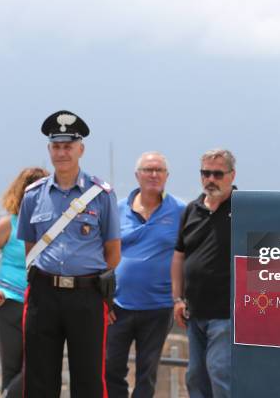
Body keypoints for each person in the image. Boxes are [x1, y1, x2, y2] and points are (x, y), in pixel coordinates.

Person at [17, 110, 121, 397]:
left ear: (80, 149)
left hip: (86, 295)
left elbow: (113, 251)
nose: (62, 153)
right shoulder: (33, 195)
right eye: (56, 146)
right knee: (39, 377)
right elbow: (30, 247)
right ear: (49, 150)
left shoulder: (101, 194)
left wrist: (89, 279)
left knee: (88, 378)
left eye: (68, 146)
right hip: (43, 294)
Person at [106, 152, 185, 398]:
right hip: (117, 305)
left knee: (147, 375)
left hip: (159, 307)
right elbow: (102, 254)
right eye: (148, 169)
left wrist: (181, 298)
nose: (153, 175)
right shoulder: (116, 210)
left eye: (159, 170)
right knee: (110, 369)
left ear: (167, 176)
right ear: (137, 175)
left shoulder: (181, 211)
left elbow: (189, 254)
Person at [171, 149, 236, 398]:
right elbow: (179, 255)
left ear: (232, 175)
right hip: (194, 312)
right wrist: (177, 299)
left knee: (220, 373)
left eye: (217, 174)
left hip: (226, 313)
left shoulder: (243, 207)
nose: (211, 179)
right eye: (205, 173)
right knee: (195, 377)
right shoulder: (191, 210)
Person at [0, 167, 49, 398]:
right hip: (7, 304)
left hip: (41, 305)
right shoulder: (9, 224)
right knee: (12, 369)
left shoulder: (53, 227)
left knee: (40, 367)